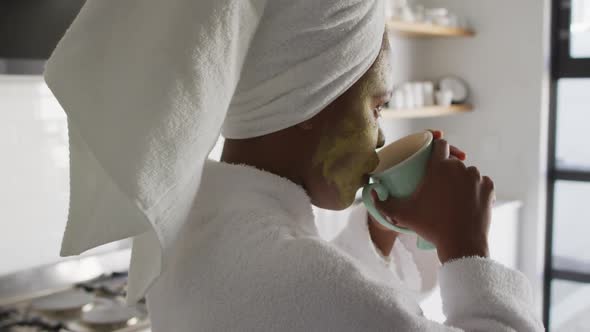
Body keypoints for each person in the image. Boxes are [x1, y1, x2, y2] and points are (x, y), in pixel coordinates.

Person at [44, 0, 544, 330]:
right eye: (376, 109)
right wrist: (467, 247)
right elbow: (336, 299)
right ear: (314, 103)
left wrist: (375, 237)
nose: (382, 136)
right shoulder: (297, 278)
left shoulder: (191, 231)